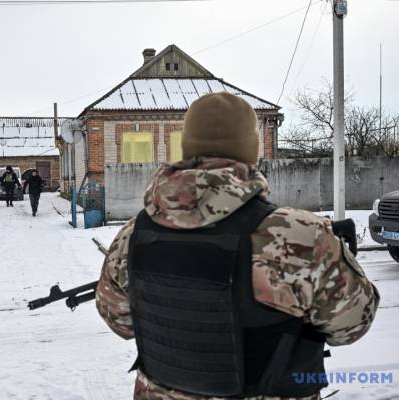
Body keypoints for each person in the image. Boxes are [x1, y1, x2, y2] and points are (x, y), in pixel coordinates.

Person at [95, 92, 380, 400]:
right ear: (252, 150)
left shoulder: (133, 235)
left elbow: (119, 321)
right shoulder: (302, 235)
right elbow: (352, 324)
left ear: (186, 148)